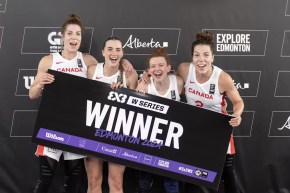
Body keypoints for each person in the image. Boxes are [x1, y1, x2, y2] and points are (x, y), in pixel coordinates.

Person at [29, 14, 134, 193]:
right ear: (62, 36)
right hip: (52, 126)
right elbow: (32, 94)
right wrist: (39, 83)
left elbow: (110, 62)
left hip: (77, 128)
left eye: (77, 34)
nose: (73, 37)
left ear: (81, 38)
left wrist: (124, 62)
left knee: (73, 181)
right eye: (69, 33)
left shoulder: (88, 61)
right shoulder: (48, 60)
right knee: (45, 178)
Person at [176, 31, 244, 193]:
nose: (201, 59)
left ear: (212, 57)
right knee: (190, 174)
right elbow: (170, 84)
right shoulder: (185, 70)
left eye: (206, 55)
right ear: (192, 57)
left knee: (227, 173)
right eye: (197, 55)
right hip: (194, 130)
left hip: (218, 130)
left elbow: (238, 101)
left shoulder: (222, 78)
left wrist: (237, 114)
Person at [85, 37, 138, 193]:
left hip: (118, 133)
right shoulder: (92, 70)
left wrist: (123, 94)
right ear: (102, 52)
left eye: (118, 49)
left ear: (122, 53)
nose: (114, 53)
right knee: (93, 182)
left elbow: (135, 108)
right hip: (93, 130)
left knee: (116, 182)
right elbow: (85, 97)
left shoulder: (129, 75)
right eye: (110, 49)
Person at [135, 48, 184, 193]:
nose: (157, 69)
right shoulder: (144, 85)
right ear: (149, 70)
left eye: (161, 65)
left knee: (171, 181)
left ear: (168, 68)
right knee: (145, 178)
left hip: (171, 140)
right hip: (149, 140)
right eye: (153, 66)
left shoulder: (178, 82)